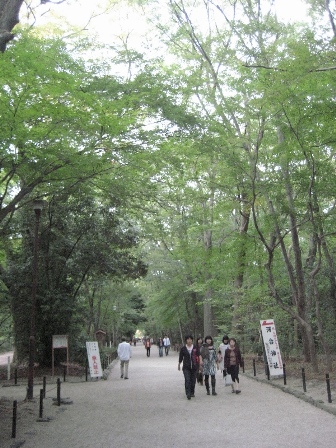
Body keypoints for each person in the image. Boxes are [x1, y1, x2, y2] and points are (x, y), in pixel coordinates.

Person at [178, 334, 200, 400]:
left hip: (194, 366)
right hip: (186, 367)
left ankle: (192, 392)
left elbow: (198, 355)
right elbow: (181, 357)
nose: (189, 340)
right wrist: (179, 364)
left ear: (192, 340)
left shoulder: (195, 348)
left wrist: (200, 363)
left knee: (193, 380)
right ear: (186, 340)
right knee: (187, 380)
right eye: (188, 339)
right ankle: (188, 393)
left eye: (190, 339)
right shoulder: (183, 348)